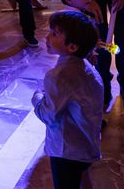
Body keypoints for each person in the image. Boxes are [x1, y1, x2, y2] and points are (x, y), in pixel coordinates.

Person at [32, 11, 103, 189]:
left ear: (72, 47)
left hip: (67, 150)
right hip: (86, 143)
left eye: (54, 34)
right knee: (83, 179)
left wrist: (37, 97)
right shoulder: (86, 66)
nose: (47, 37)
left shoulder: (59, 76)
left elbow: (48, 115)